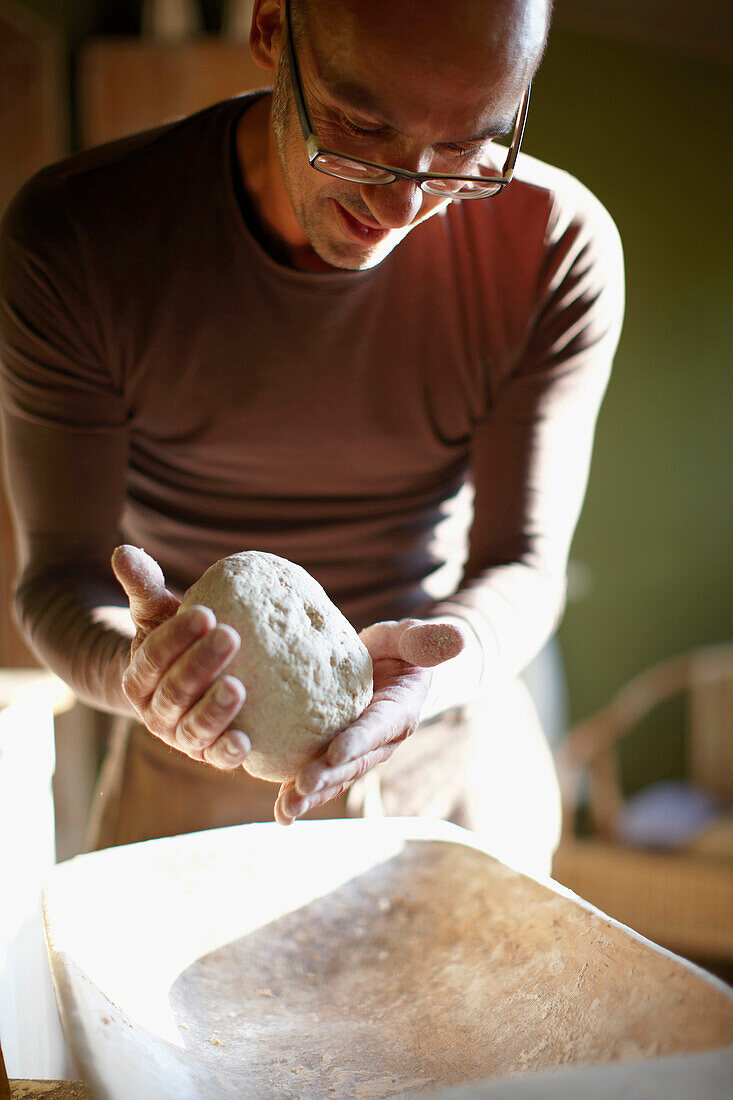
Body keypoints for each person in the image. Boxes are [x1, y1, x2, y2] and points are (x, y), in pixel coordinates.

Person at [0, 0, 623, 874]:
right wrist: (141, 675)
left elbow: (521, 563)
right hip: (192, 762)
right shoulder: (80, 236)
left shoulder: (554, 247)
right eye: (359, 127)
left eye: (466, 146)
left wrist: (433, 676)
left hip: (441, 764)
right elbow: (57, 577)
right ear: (268, 31)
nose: (403, 199)